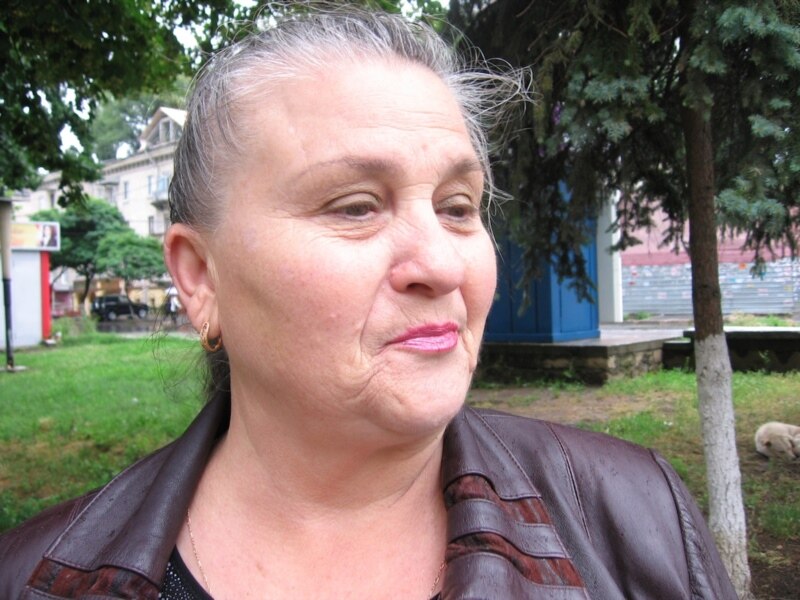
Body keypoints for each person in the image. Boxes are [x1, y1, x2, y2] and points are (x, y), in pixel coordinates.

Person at [0, 7, 736, 599]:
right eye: (355, 207)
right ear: (200, 279)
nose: (441, 265)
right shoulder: (32, 577)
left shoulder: (637, 523)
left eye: (458, 206)